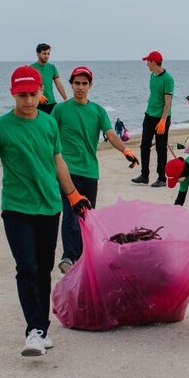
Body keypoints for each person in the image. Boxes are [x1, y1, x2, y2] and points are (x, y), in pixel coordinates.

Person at [0, 65, 92, 358]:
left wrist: (73, 195)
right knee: (26, 267)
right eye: (21, 95)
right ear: (12, 94)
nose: (27, 100)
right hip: (16, 208)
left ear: (41, 92)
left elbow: (58, 162)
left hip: (49, 207)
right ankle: (35, 330)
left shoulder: (49, 124)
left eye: (32, 94)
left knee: (43, 269)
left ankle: (41, 328)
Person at [52, 66, 139, 273]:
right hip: (67, 171)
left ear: (90, 85)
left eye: (84, 83)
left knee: (87, 216)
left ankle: (84, 257)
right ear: (71, 84)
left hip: (90, 171)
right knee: (70, 213)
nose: (80, 87)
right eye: (77, 83)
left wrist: (125, 150)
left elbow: (110, 134)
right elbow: (48, 135)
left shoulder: (98, 111)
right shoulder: (60, 110)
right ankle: (69, 256)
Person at [132, 50, 174, 187]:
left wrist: (163, 120)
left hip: (162, 118)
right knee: (144, 145)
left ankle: (162, 178)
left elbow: (168, 103)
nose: (147, 65)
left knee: (161, 148)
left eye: (148, 62)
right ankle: (144, 175)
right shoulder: (152, 76)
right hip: (149, 115)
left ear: (153, 62)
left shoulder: (168, 79)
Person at [31, 43, 68, 114]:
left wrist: (65, 99)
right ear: (38, 54)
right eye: (44, 53)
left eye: (48, 54)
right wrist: (39, 95)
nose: (46, 56)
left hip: (51, 102)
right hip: (38, 103)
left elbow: (58, 84)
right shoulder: (32, 68)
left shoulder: (52, 67)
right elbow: (30, 86)